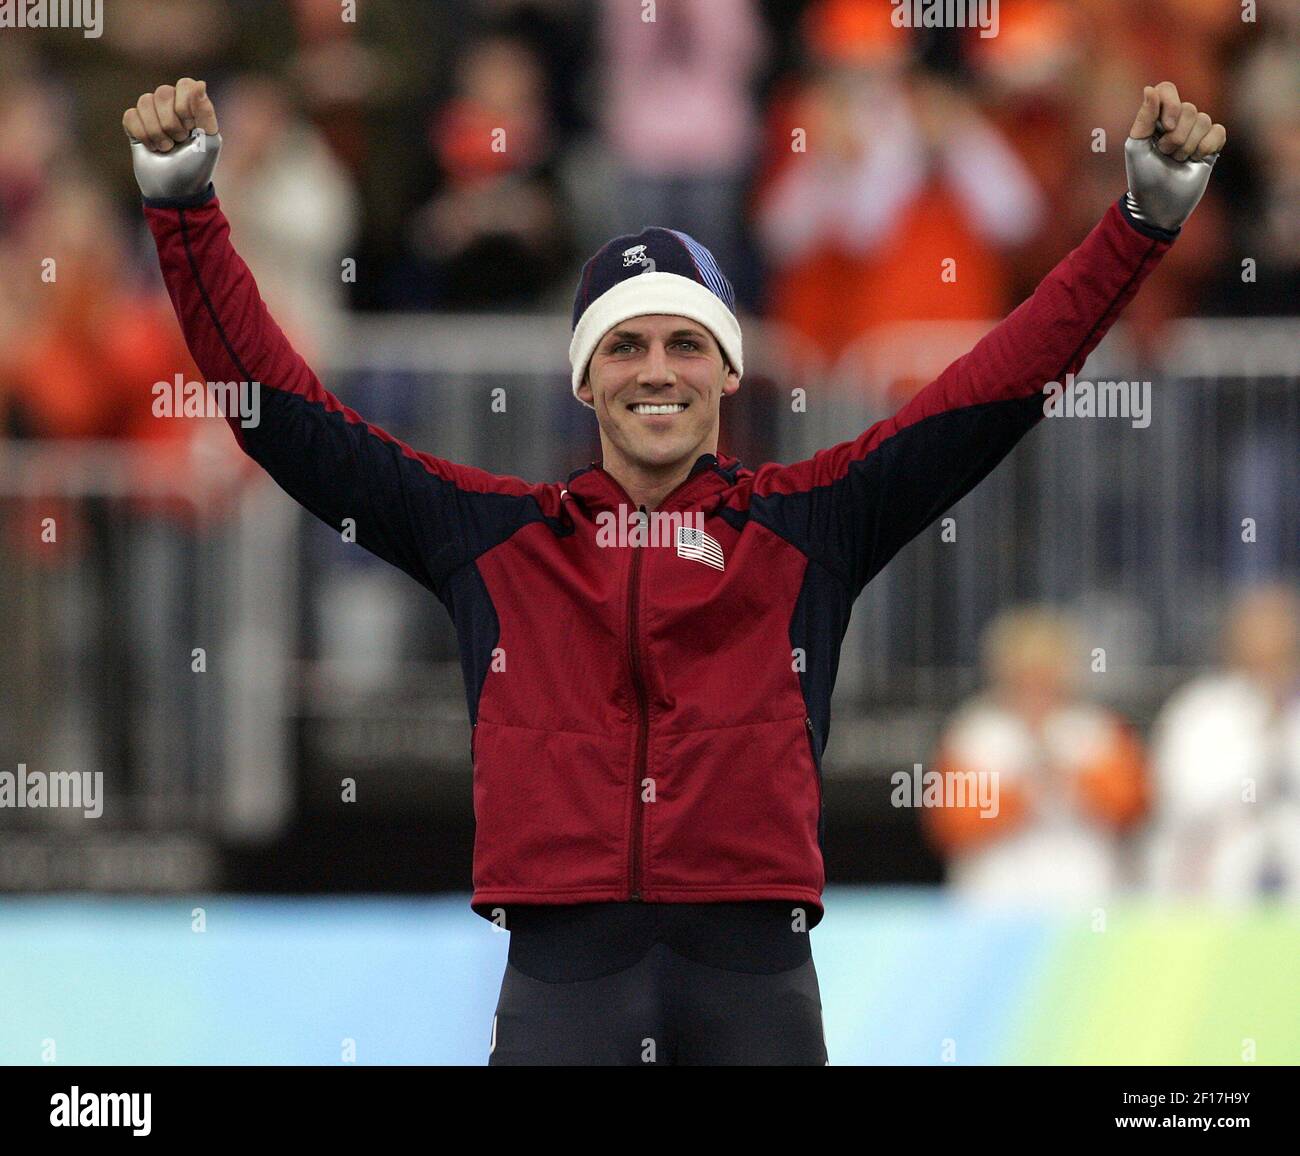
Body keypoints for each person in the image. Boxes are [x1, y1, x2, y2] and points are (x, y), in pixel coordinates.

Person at [123, 77, 1224, 1064]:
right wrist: (184, 209)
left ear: (728, 371)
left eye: (685, 343)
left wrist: (1137, 227)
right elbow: (282, 419)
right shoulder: (493, 539)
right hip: (561, 986)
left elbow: (1000, 385)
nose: (658, 369)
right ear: (584, 380)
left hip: (757, 990)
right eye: (627, 345)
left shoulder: (809, 526)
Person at [923, 607, 1147, 907]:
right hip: (992, 900)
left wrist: (1074, 778)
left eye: (1047, 672)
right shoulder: (975, 732)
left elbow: (1130, 807)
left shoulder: (1096, 728)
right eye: (1026, 674)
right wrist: (1020, 793)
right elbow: (951, 826)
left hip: (1084, 899)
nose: (1037, 685)